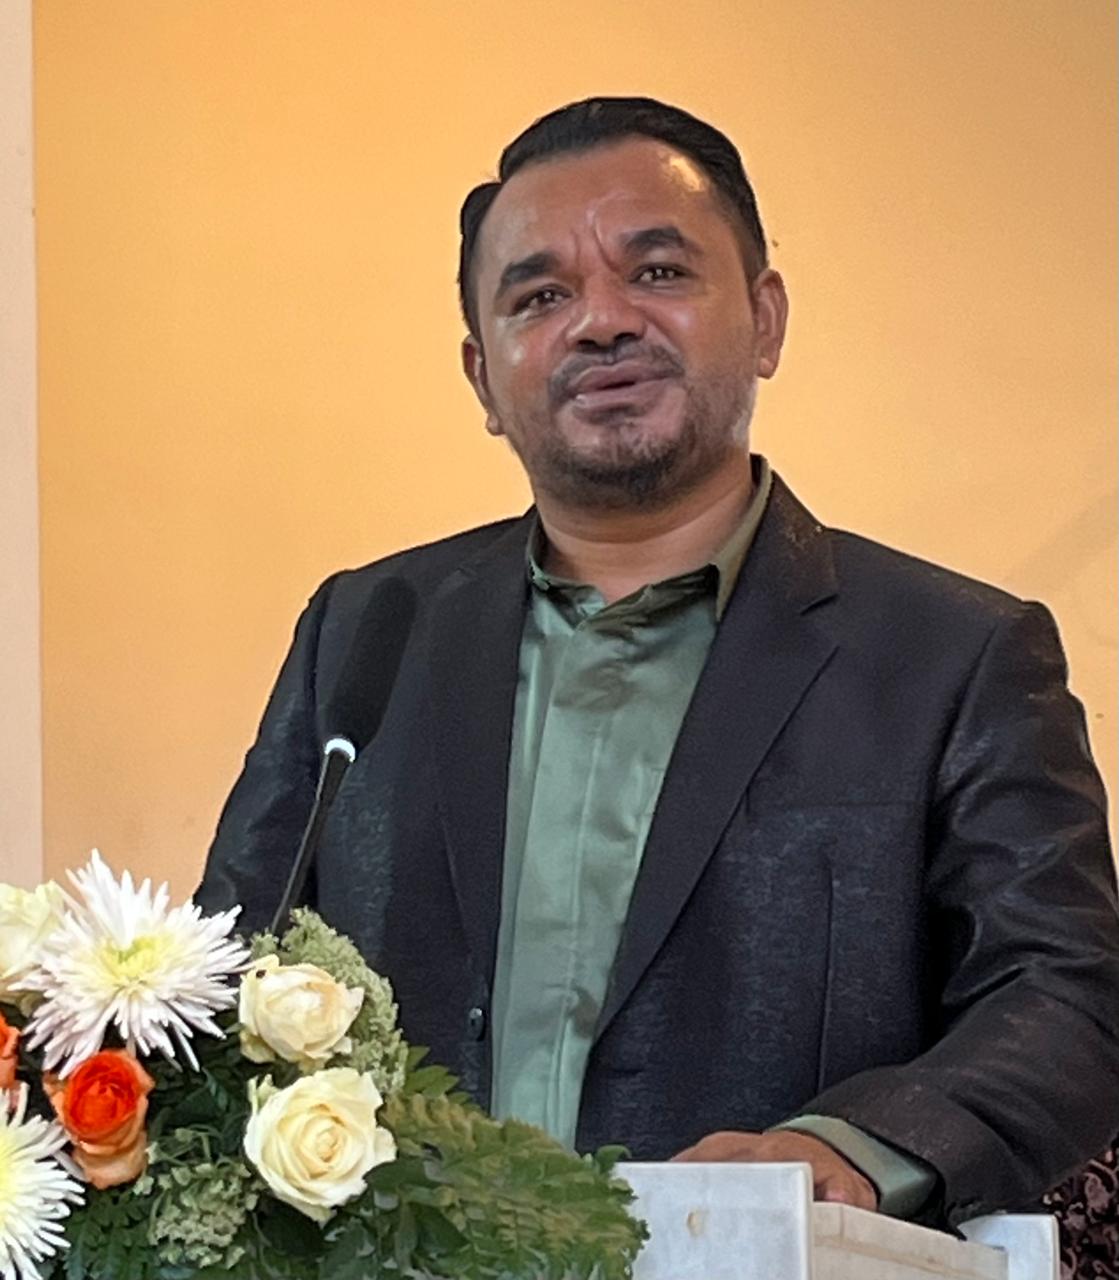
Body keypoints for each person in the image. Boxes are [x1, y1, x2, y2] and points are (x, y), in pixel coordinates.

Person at [196, 96, 1119, 1228]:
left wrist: (844, 1150)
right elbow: (225, 970)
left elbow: (1065, 997)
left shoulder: (950, 655)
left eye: (659, 273)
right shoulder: (365, 629)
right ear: (483, 377)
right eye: (540, 297)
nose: (601, 322)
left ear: (765, 320)